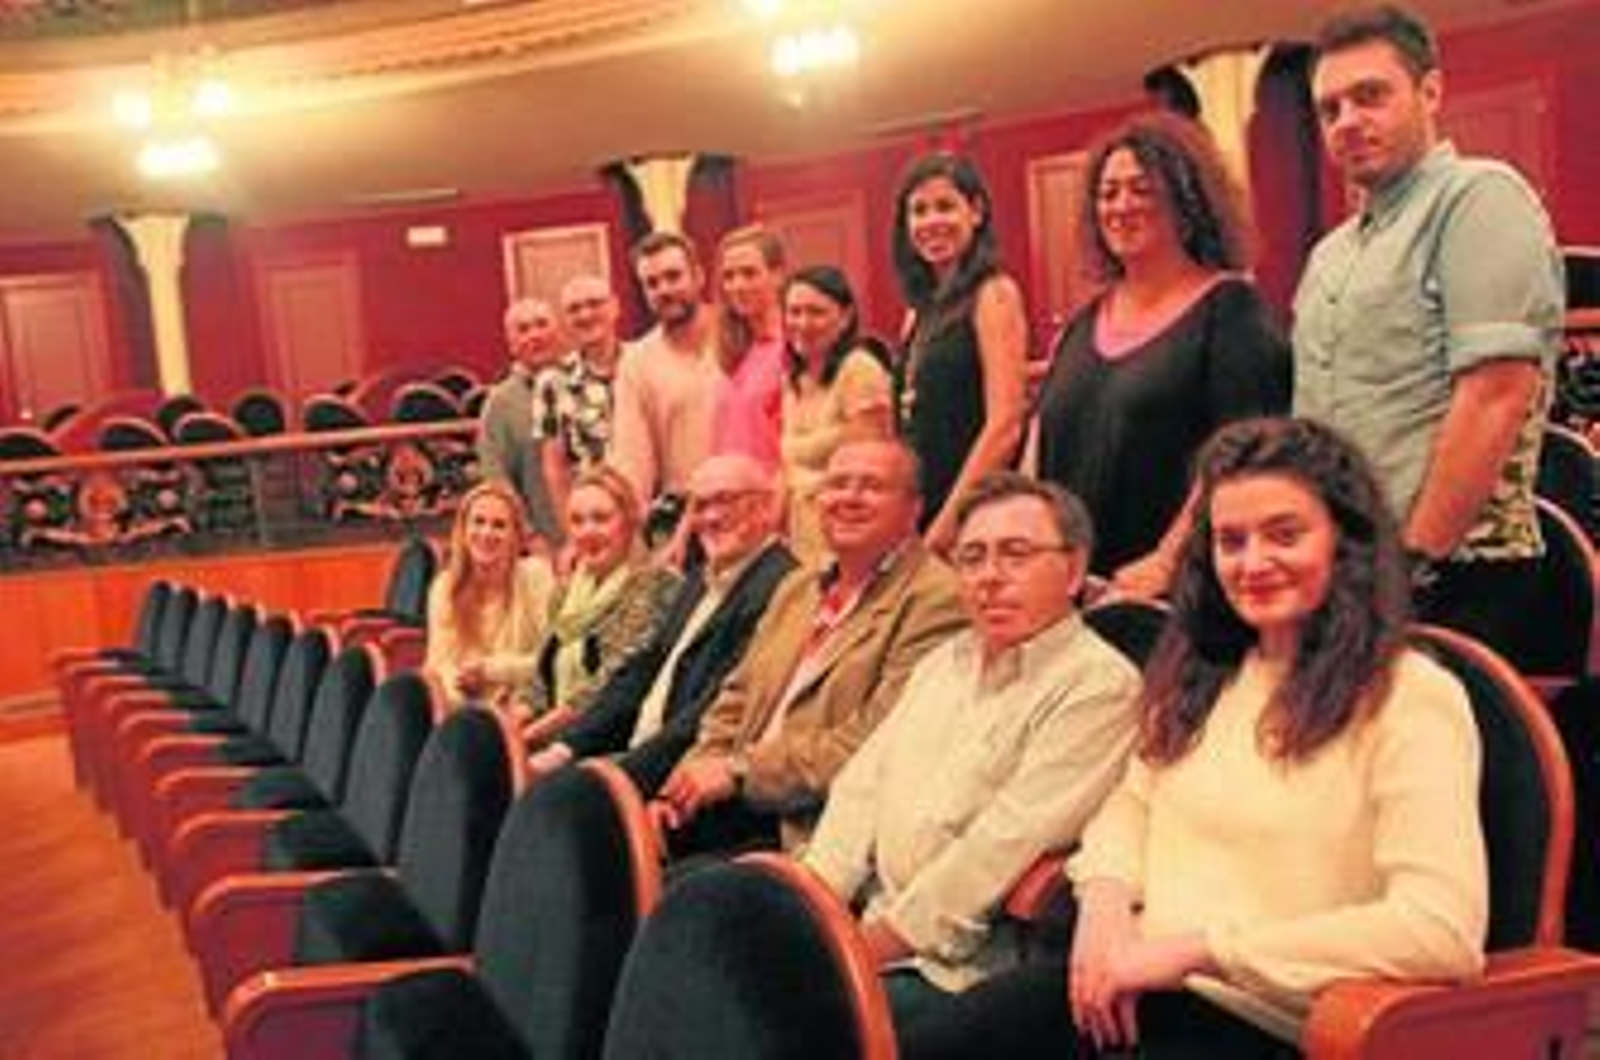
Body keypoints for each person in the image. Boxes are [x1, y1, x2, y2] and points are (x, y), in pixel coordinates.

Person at [901, 417, 1486, 1059]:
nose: (1253, 562)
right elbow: (1129, 807)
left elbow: (1439, 929)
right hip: (1133, 987)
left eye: (1284, 534)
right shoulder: (1207, 673)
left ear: (1346, 543)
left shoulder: (1411, 697)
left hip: (1278, 1023)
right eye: (1231, 541)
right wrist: (1104, 905)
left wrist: (1196, 953)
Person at [804, 472, 1140, 1030]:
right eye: (972, 557)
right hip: (861, 928)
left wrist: (856, 954)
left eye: (1016, 554)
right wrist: (813, 910)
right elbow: (860, 790)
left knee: (784, 1029)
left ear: (1076, 569)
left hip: (956, 971)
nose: (989, 577)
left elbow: (998, 848)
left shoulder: (1098, 686)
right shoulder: (944, 661)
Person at [1293, 3, 1564, 659]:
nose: (1348, 121)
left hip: (1458, 575)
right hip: (1347, 572)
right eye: (1330, 109)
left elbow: (1496, 396)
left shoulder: (1479, 197)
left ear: (1430, 91)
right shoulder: (1327, 254)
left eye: (1370, 96)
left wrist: (1410, 562)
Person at [650, 438, 967, 857]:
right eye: (837, 484)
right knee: (601, 839)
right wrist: (688, 782)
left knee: (677, 899)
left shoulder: (936, 599)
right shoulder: (798, 586)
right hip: (730, 804)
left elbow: (872, 743)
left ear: (913, 509)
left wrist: (738, 771)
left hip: (810, 827)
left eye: (871, 486)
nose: (848, 498)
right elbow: (735, 697)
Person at [1033, 111, 1290, 592]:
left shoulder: (1231, 311)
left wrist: (1166, 562)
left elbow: (1244, 454)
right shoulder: (1079, 327)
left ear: (1188, 199)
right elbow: (1040, 452)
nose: (1121, 205)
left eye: (1142, 189)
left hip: (1177, 596)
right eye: (1108, 193)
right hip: (1077, 594)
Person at [527, 454, 797, 792]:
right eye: (699, 505)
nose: (710, 516)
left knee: (549, 803)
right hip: (633, 751)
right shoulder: (699, 579)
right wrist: (566, 748)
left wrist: (624, 773)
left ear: (766, 507)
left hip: (686, 774)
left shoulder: (780, 586)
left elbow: (712, 709)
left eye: (726, 500)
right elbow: (641, 670)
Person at [893, 152, 1030, 552]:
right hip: (923, 507)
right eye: (918, 211)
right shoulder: (919, 310)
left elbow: (1005, 426)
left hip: (972, 513)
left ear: (976, 211)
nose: (931, 222)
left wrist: (946, 528)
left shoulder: (994, 293)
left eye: (945, 206)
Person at [528, 466, 680, 722]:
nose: (587, 531)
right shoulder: (564, 592)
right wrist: (508, 723)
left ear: (629, 521)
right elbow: (537, 684)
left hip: (612, 738)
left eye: (600, 519)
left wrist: (529, 736)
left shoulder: (656, 584)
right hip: (553, 733)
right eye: (577, 521)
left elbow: (609, 686)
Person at [780, 265, 895, 562]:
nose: (803, 323)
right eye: (794, 312)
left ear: (845, 318)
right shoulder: (793, 377)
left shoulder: (860, 369)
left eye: (816, 312)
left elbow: (871, 464)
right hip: (804, 536)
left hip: (852, 535)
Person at [423, 479, 555, 715]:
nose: (486, 533)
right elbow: (439, 667)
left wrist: (491, 671)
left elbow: (551, 662)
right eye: (478, 522)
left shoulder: (537, 576)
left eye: (499, 525)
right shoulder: (444, 587)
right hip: (462, 710)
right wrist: (462, 691)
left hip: (527, 708)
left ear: (516, 535)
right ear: (462, 530)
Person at [611, 231, 722, 509]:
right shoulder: (636, 362)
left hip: (760, 506)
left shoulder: (740, 335)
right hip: (690, 517)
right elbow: (632, 461)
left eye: (673, 277)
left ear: (698, 276)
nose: (664, 290)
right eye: (651, 283)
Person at [476, 297, 565, 546]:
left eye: (541, 324)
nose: (534, 335)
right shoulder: (500, 402)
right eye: (523, 329)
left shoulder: (583, 385)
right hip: (542, 548)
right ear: (511, 344)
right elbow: (497, 478)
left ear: (558, 331)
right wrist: (531, 538)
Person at [536, 274, 625, 518]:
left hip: (650, 513)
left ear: (615, 307)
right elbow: (554, 468)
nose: (585, 315)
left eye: (595, 304)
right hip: (592, 519)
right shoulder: (551, 382)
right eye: (574, 309)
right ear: (565, 319)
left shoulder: (644, 364)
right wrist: (570, 531)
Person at [710, 225, 788, 468]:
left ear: (777, 275)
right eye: (729, 276)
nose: (737, 286)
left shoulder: (792, 346)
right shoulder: (735, 351)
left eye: (749, 273)